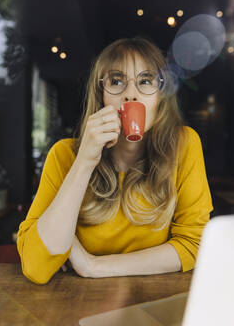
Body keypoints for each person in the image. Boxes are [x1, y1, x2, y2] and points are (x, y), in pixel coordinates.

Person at [17, 37, 213, 284]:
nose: (131, 95)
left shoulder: (183, 145)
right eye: (117, 81)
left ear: (160, 98)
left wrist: (93, 265)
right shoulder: (64, 155)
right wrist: (85, 160)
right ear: (101, 97)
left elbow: (194, 244)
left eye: (145, 81)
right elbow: (36, 266)